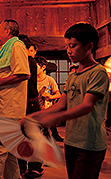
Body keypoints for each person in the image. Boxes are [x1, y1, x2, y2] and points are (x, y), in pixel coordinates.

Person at [23, 23, 109, 179]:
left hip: (90, 143)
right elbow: (62, 104)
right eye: (67, 46)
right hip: (72, 140)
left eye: (73, 46)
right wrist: (34, 116)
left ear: (89, 46)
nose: (68, 50)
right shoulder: (73, 75)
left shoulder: (98, 72)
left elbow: (87, 105)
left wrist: (56, 118)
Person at [0, 19, 30, 179]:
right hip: (3, 107)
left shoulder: (16, 45)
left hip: (8, 109)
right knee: (9, 153)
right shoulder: (6, 48)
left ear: (8, 31)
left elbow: (24, 73)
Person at [17, 34, 44, 178]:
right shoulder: (26, 60)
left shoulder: (28, 60)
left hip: (30, 103)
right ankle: (23, 167)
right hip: (26, 103)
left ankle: (35, 167)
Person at [35, 55, 64, 142]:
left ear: (43, 67)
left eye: (35, 66)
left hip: (47, 107)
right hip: (36, 107)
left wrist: (50, 96)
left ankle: (54, 135)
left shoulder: (49, 80)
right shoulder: (33, 80)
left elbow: (58, 94)